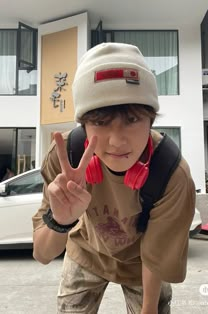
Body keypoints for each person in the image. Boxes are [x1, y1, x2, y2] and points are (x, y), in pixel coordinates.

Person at [32, 42, 195, 314]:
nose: (117, 141)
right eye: (101, 121)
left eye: (132, 119)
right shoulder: (67, 158)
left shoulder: (171, 173)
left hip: (142, 263)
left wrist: (148, 308)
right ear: (84, 125)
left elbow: (155, 258)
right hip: (86, 250)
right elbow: (42, 254)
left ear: (151, 119)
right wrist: (60, 221)